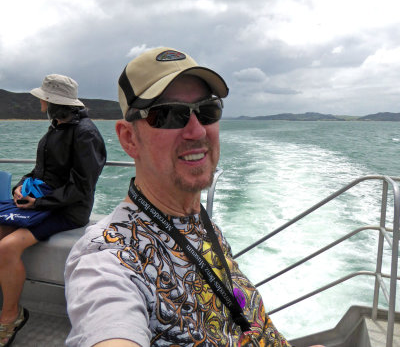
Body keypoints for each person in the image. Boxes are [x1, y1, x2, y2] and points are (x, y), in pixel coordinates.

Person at [65, 48, 323, 347]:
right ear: (129, 138)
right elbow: (109, 323)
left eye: (207, 110)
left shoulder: (197, 218)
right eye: (169, 115)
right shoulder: (108, 258)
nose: (197, 130)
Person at [0, 74, 106, 346]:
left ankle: (11, 315)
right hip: (45, 201)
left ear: (53, 101)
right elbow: (40, 171)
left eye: (44, 99)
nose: (40, 103)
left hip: (69, 210)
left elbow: (82, 188)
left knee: (7, 246)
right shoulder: (57, 127)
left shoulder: (86, 134)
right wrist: (22, 186)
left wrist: (39, 203)